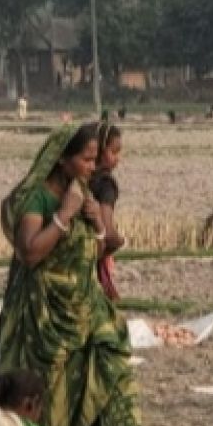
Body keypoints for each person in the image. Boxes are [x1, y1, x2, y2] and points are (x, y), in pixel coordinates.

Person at [0, 123, 144, 426]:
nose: (93, 166)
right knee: (49, 404)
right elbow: (31, 251)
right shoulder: (38, 200)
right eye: (86, 159)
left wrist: (96, 223)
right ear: (63, 160)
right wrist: (64, 215)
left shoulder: (84, 194)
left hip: (90, 316)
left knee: (115, 380)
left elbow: (98, 250)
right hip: (47, 323)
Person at [89, 123, 127, 301]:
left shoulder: (77, 178)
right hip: (91, 258)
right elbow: (107, 233)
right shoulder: (106, 184)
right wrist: (120, 241)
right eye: (114, 152)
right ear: (99, 151)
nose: (118, 158)